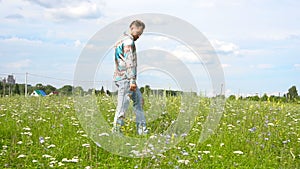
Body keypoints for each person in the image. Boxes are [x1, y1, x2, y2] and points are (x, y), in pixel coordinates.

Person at [112, 20, 148, 135]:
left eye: (141, 34)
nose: (139, 36)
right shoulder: (128, 42)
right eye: (139, 32)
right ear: (132, 28)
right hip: (126, 79)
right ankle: (116, 132)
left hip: (124, 77)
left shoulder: (120, 40)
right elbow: (129, 62)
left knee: (139, 101)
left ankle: (142, 131)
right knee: (122, 106)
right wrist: (132, 81)